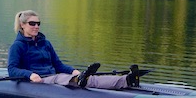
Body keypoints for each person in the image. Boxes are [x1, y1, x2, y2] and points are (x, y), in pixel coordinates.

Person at [7, 10, 140, 89]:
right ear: (22, 25)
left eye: (38, 23)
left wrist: (73, 71)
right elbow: (12, 70)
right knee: (61, 78)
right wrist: (30, 74)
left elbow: (58, 65)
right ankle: (78, 79)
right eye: (32, 23)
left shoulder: (45, 43)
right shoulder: (17, 46)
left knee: (90, 79)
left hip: (54, 76)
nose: (36, 26)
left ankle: (126, 80)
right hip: (40, 80)